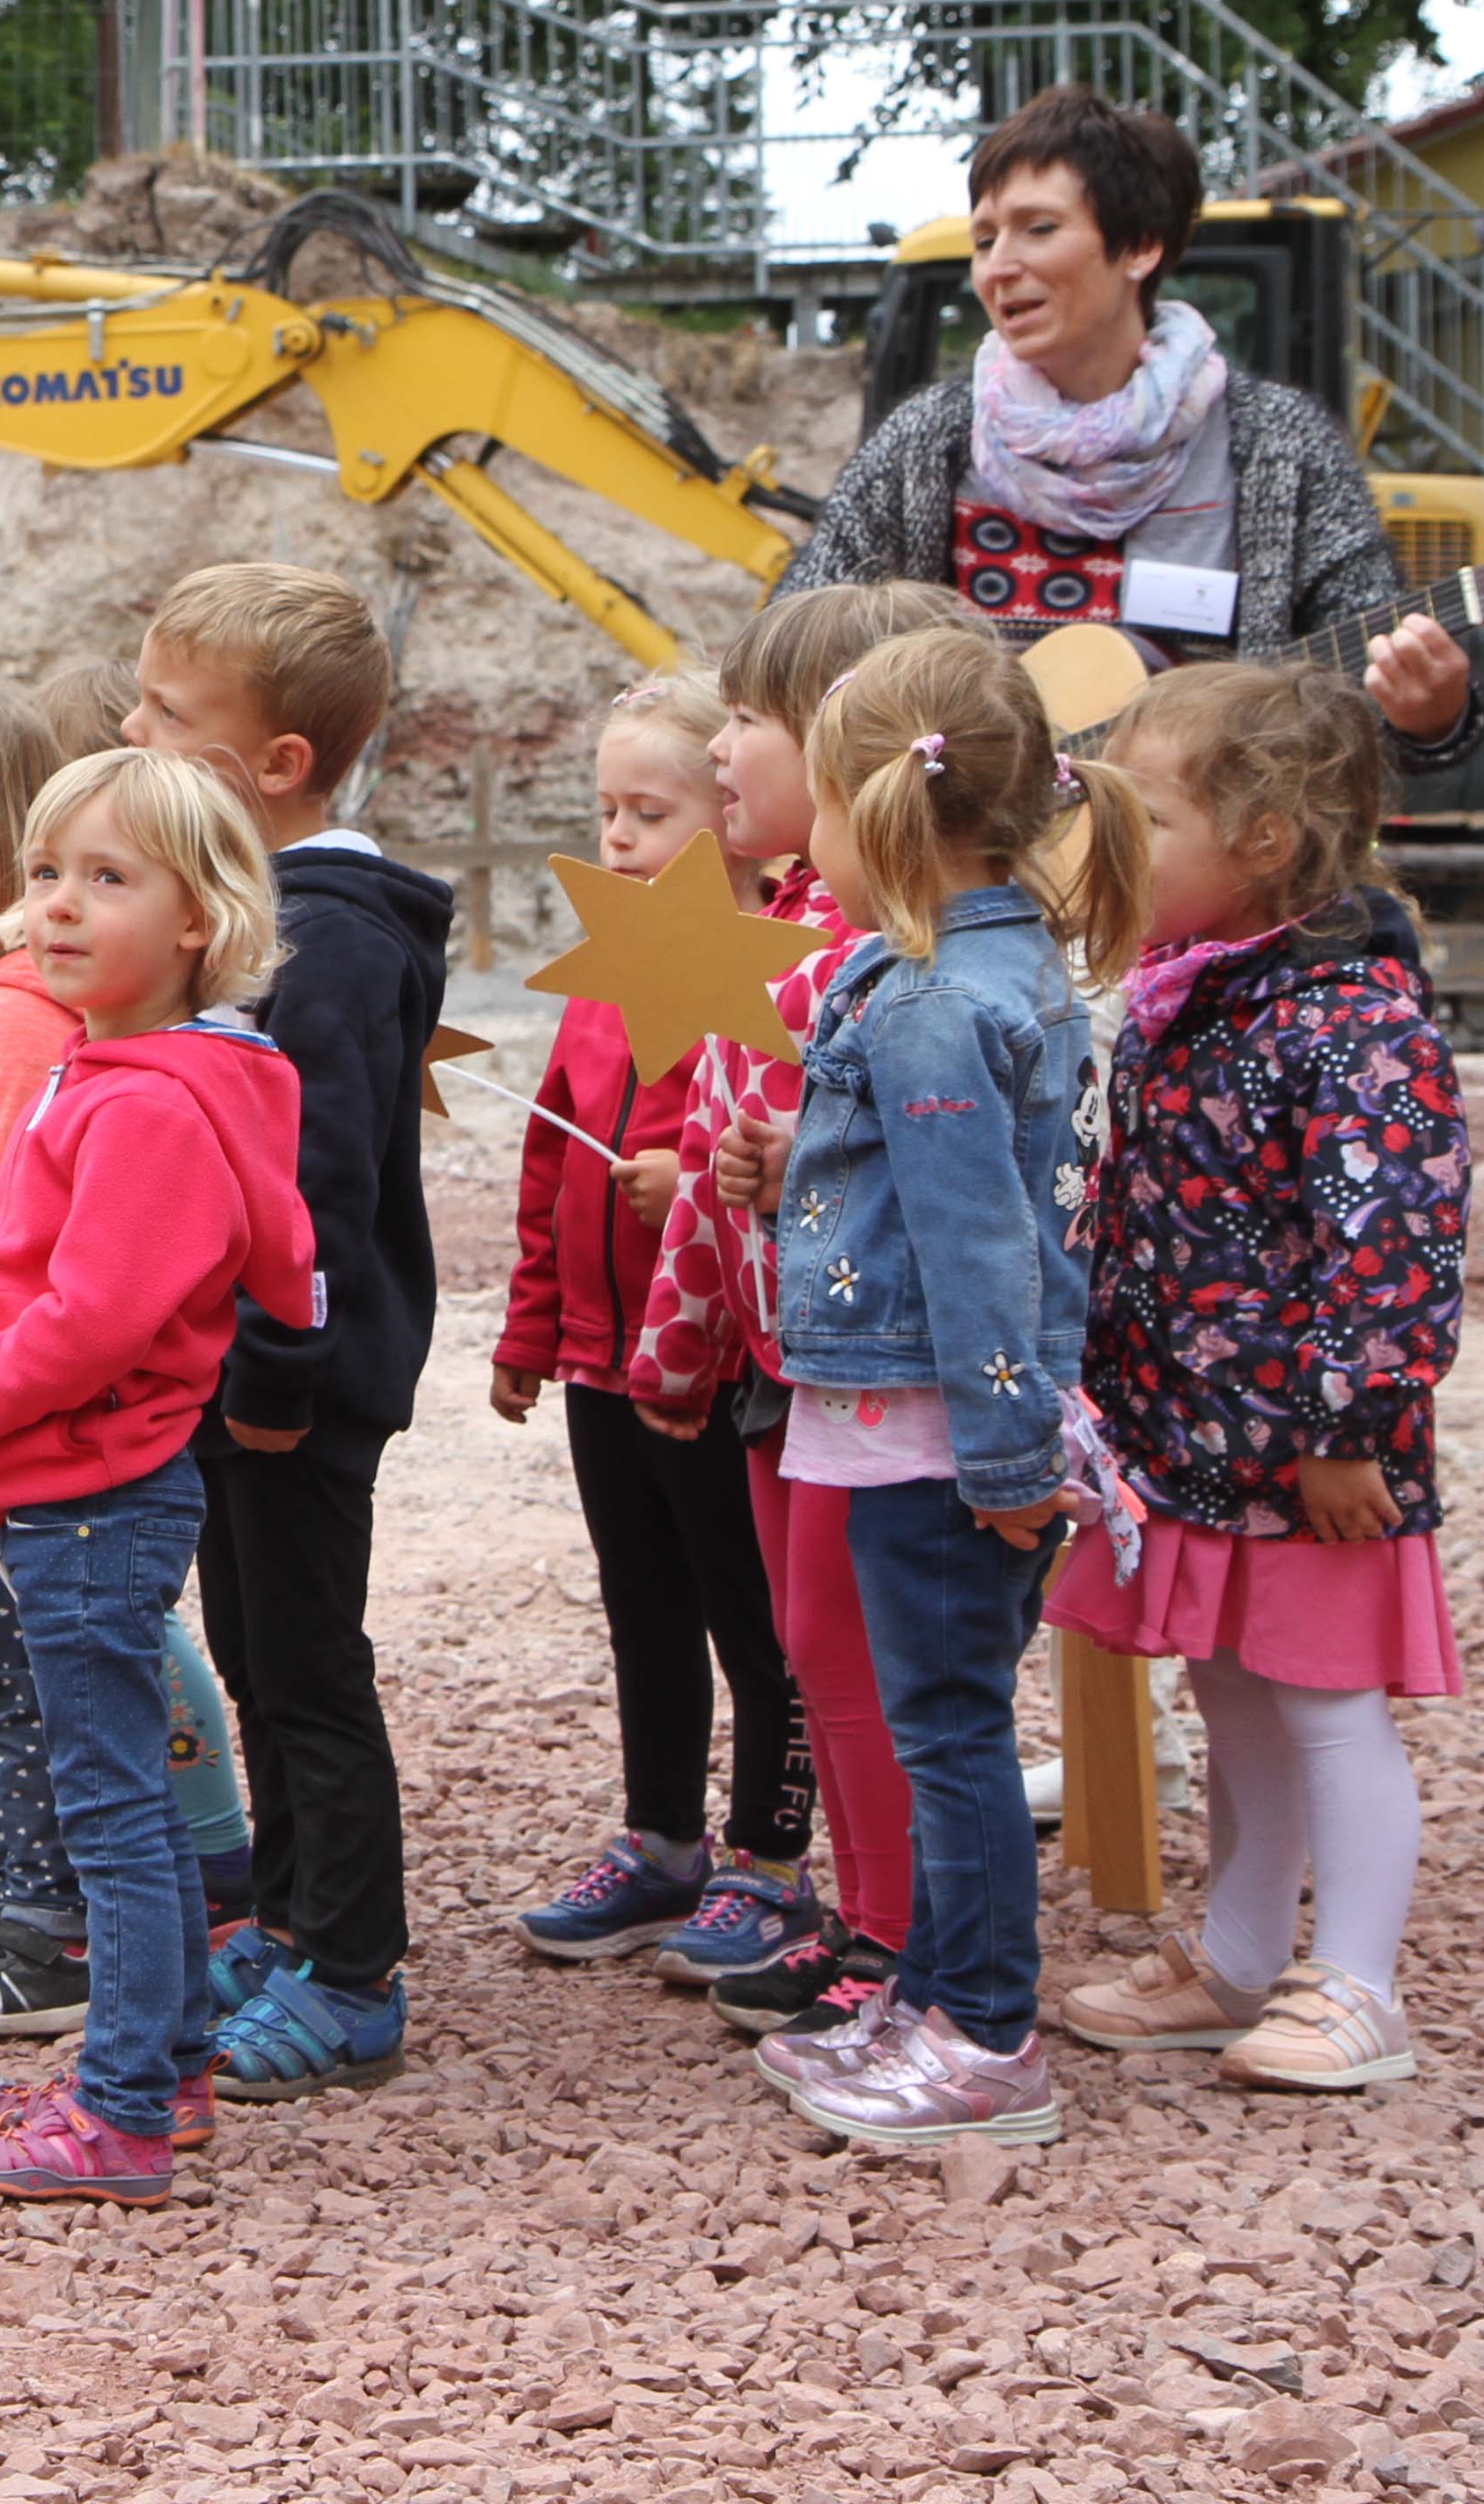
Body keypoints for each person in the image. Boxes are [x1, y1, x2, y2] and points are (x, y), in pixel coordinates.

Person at [740, 627, 1150, 2152]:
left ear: (883, 816)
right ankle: (928, 1994)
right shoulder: (981, 968)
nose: (809, 845)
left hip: (937, 1424)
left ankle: (982, 2035)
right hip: (936, 1409)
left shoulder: (922, 1000)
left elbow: (978, 1249)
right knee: (940, 1723)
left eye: (824, 813)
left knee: (947, 1735)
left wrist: (996, 1457)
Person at [0, 748, 317, 2206]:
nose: (58, 908)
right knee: (112, 1789)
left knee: (110, 1808)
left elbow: (89, 1319)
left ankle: (123, 2107)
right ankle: (167, 2066)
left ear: (197, 918)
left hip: (89, 1492)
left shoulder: (143, 1101)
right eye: (47, 875)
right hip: (77, 1481)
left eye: (107, 878)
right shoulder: (131, 1067)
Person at [1046, 663, 1468, 2094]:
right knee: (1232, 1695)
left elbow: (1391, 1243)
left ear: (1266, 839)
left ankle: (1354, 1983)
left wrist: (1349, 1428)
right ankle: (1232, 1959)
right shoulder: (1196, 998)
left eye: (1144, 818)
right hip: (1202, 1442)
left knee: (1330, 1704)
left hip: (1313, 1455)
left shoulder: (1351, 1021)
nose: (1111, 848)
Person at [0, 692, 256, 2040]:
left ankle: (53, 1924)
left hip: (8, 1431)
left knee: (36, 1680)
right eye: (47, 875)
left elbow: (43, 1269)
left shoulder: (39, 1033)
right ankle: (18, 1891)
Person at [625, 582, 994, 2030]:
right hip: (788, 1362)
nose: (718, 749)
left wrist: (794, 1185)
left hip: (869, 1366)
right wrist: (686, 1337)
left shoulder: (882, 953)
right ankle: (863, 1915)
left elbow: (934, 1174)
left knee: (859, 1658)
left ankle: (899, 1940)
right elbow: (727, 1166)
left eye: (747, 721)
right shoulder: (779, 924)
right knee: (810, 1638)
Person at [121, 563, 443, 2102]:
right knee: (248, 1643)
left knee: (309, 1661)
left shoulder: (324, 943)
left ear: (274, 767)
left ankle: (353, 1968)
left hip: (291, 1380)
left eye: (165, 717)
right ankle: (296, 1911)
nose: (130, 729)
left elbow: (303, 1190)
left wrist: (268, 1374)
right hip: (234, 1371)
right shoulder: (255, 921)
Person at [781, 84, 1481, 770]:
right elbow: (794, 643)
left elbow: (1370, 693)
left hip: (1202, 871)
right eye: (985, 239)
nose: (1000, 267)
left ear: (1140, 248)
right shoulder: (925, 440)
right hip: (965, 871)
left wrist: (1432, 717)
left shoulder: (1281, 443)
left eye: (1039, 229)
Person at [493, 669, 809, 1967]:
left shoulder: (779, 971)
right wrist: (530, 1332)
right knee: (642, 1603)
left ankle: (769, 1856)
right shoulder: (600, 984)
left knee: (751, 1610)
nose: (615, 838)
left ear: (729, 819)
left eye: (648, 811)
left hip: (714, 1355)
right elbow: (544, 1165)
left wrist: (694, 1181)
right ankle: (660, 1839)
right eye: (605, 810)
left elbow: (788, 1143)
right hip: (596, 1361)